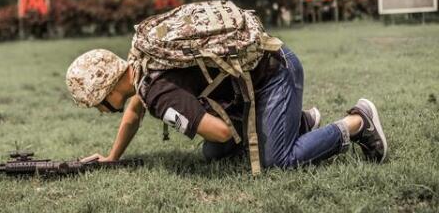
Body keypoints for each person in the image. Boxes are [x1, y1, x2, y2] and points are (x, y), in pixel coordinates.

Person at [66, 46, 387, 169]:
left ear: (106, 89)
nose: (99, 110)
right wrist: (112, 158)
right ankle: (296, 123)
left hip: (274, 73)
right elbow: (132, 114)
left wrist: (188, 120)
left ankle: (358, 122)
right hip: (255, 76)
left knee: (279, 160)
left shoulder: (158, 94)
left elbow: (221, 132)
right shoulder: (140, 63)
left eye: (96, 103)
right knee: (212, 155)